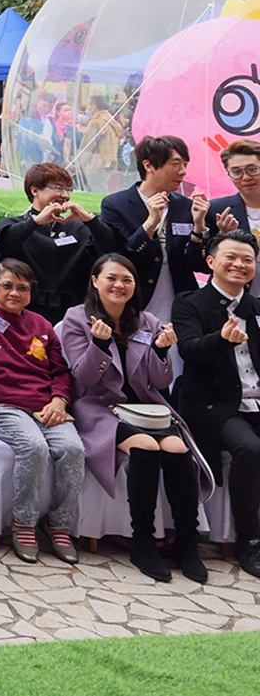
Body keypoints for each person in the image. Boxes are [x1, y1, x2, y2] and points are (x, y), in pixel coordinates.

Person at [58, 252, 206, 583]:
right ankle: (143, 541)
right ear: (95, 281)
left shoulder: (147, 321)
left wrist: (162, 351)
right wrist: (99, 344)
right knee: (145, 447)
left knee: (179, 450)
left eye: (127, 280)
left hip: (146, 407)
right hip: (99, 406)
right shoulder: (76, 318)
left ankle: (187, 541)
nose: (119, 285)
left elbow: (160, 382)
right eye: (111, 278)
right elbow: (84, 377)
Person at [0, 243, 82, 564]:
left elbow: (60, 371)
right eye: (7, 285)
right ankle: (24, 523)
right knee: (34, 447)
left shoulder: (42, 325)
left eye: (22, 288)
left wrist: (59, 400)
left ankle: (59, 525)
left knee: (73, 449)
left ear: (31, 292)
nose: (14, 292)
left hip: (43, 408)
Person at [173, 229, 260, 578]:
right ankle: (249, 542)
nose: (240, 264)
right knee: (250, 449)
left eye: (248, 259)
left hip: (256, 400)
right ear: (211, 261)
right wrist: (221, 339)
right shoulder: (190, 303)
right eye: (231, 257)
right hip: (214, 403)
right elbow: (189, 350)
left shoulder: (256, 307)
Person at [100, 135, 209, 323]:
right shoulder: (116, 205)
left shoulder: (186, 207)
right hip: (134, 305)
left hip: (181, 308)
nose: (183, 172)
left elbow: (199, 265)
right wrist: (149, 224)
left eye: (185, 165)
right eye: (175, 164)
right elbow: (120, 257)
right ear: (148, 166)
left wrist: (199, 228)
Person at [0, 163, 118, 323]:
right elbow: (2, 246)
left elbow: (111, 249)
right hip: (24, 311)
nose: (65, 195)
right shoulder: (15, 226)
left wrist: (90, 220)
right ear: (35, 190)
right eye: (58, 188)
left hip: (73, 313)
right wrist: (35, 222)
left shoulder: (78, 228)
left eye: (68, 189)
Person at [208, 141, 260, 261]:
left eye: (252, 169)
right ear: (228, 175)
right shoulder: (217, 210)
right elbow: (202, 260)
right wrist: (223, 234)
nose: (246, 177)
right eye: (236, 172)